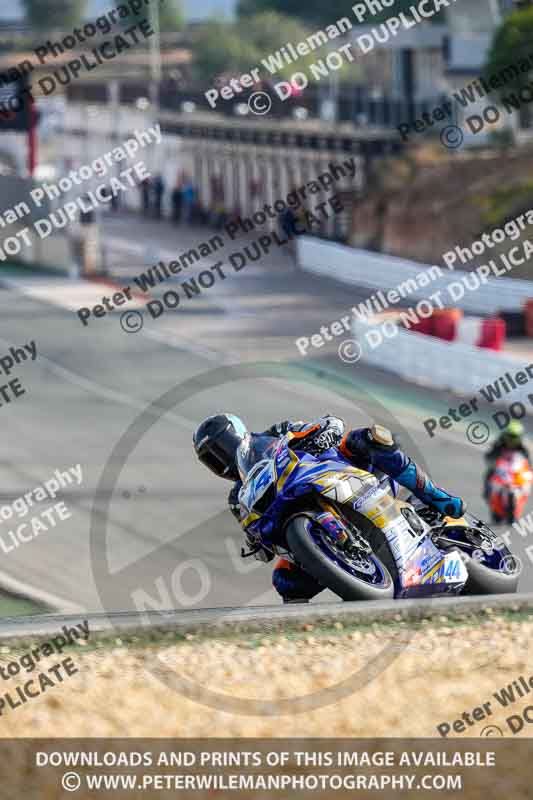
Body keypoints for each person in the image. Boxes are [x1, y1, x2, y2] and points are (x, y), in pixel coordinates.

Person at [193, 414, 465, 603]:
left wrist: (326, 432)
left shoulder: (274, 434)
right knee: (284, 578)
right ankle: (303, 627)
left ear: (237, 433)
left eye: (221, 447)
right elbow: (256, 532)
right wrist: (258, 543)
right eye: (212, 459)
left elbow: (324, 424)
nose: (221, 461)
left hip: (337, 470)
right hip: (297, 512)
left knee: (368, 438)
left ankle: (435, 496)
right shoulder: (236, 497)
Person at [483, 420, 530, 499]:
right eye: (509, 436)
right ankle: (488, 491)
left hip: (515, 469)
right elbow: (488, 456)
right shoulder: (499, 443)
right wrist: (495, 463)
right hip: (501, 468)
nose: (511, 440)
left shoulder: (523, 447)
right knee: (490, 474)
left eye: (514, 437)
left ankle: (521, 494)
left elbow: (528, 464)